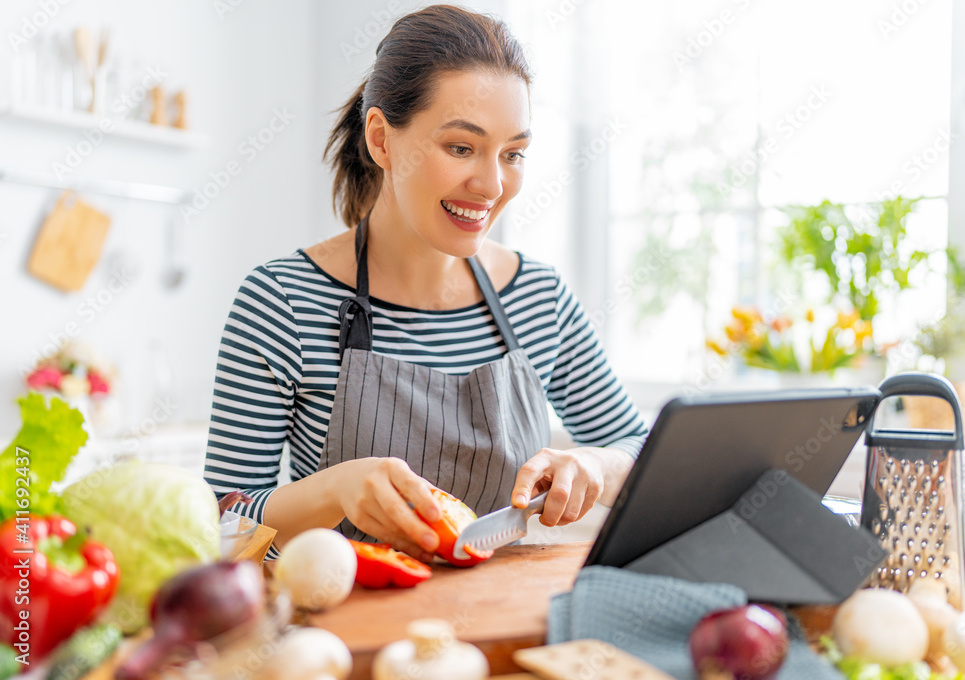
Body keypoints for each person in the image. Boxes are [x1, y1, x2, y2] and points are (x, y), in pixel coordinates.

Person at [203, 4, 648, 560]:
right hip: (341, 632)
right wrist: (331, 491)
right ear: (381, 140)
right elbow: (219, 522)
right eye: (461, 147)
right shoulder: (283, 301)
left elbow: (644, 447)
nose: (491, 184)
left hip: (497, 623)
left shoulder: (539, 296)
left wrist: (594, 465)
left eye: (513, 154)